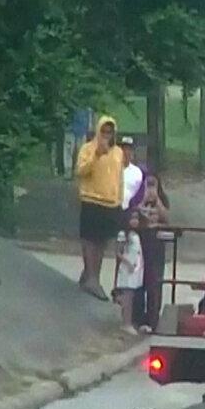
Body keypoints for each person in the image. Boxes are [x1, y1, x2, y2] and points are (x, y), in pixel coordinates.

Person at [75, 115, 124, 301]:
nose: (106, 135)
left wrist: (119, 200)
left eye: (109, 132)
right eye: (103, 131)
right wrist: (97, 155)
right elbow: (80, 170)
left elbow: (119, 179)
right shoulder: (88, 149)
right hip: (91, 199)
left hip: (111, 202)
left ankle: (92, 274)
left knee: (102, 241)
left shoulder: (118, 152)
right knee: (89, 240)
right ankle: (91, 278)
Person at [132, 173, 170, 333]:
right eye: (148, 185)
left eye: (154, 185)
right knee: (139, 280)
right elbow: (133, 214)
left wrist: (157, 201)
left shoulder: (162, 199)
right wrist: (143, 200)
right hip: (141, 242)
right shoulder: (137, 198)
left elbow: (166, 217)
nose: (151, 188)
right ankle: (137, 317)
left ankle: (153, 318)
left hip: (156, 244)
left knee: (155, 281)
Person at [113, 211, 144, 336]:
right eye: (132, 218)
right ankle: (126, 323)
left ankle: (129, 321)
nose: (135, 221)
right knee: (127, 297)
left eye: (137, 218)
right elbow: (118, 252)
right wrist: (128, 263)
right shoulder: (123, 234)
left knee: (131, 296)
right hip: (127, 269)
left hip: (135, 269)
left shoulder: (136, 234)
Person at [119, 136, 145, 211]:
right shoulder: (112, 169)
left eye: (129, 150)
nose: (126, 152)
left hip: (131, 210)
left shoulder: (137, 172)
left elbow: (140, 193)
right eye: (123, 149)